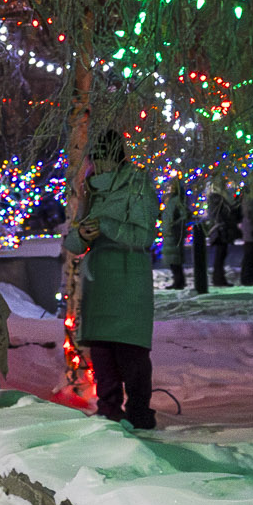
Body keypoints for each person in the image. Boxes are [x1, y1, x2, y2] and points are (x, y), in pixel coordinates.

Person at [75, 130, 160, 428]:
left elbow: (145, 236)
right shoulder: (90, 188)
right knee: (103, 356)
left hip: (128, 282)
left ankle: (139, 414)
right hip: (99, 284)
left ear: (117, 158)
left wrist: (107, 226)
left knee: (132, 355)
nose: (99, 167)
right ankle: (109, 411)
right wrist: (80, 235)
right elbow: (74, 242)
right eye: (94, 160)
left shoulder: (138, 186)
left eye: (103, 160)